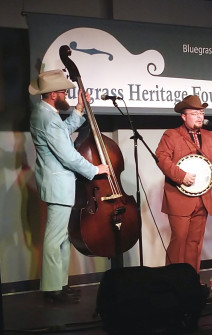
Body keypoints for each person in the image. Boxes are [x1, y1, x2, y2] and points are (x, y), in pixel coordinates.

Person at [29, 69, 109, 303]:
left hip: (57, 182)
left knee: (62, 238)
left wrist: (79, 109)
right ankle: (52, 290)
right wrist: (95, 170)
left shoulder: (45, 112)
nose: (66, 95)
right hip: (57, 183)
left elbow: (63, 133)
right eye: (63, 92)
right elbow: (67, 155)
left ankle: (59, 284)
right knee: (55, 239)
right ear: (53, 94)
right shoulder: (47, 117)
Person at [155, 95, 212, 274]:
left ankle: (192, 281)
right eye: (194, 113)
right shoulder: (172, 135)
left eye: (202, 113)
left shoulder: (209, 136)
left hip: (202, 198)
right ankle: (173, 282)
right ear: (183, 116)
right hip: (179, 198)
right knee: (179, 242)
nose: (200, 116)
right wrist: (181, 175)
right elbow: (161, 158)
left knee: (195, 244)